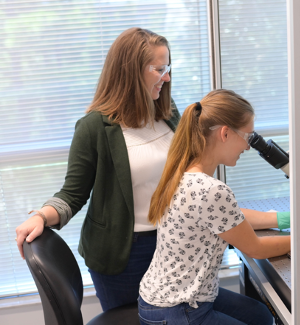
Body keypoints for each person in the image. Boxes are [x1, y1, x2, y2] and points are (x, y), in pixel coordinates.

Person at [138, 89, 300, 325]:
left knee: (260, 315)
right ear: (225, 133)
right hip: (178, 309)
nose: (248, 147)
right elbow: (256, 249)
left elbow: (230, 218)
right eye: (247, 136)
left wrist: (284, 219)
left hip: (162, 298)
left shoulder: (184, 172)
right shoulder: (211, 190)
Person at [15, 27, 181, 311]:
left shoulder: (167, 111)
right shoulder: (94, 127)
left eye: (168, 68)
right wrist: (42, 215)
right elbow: (73, 193)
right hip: (124, 255)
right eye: (159, 69)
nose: (166, 78)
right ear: (131, 71)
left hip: (174, 242)